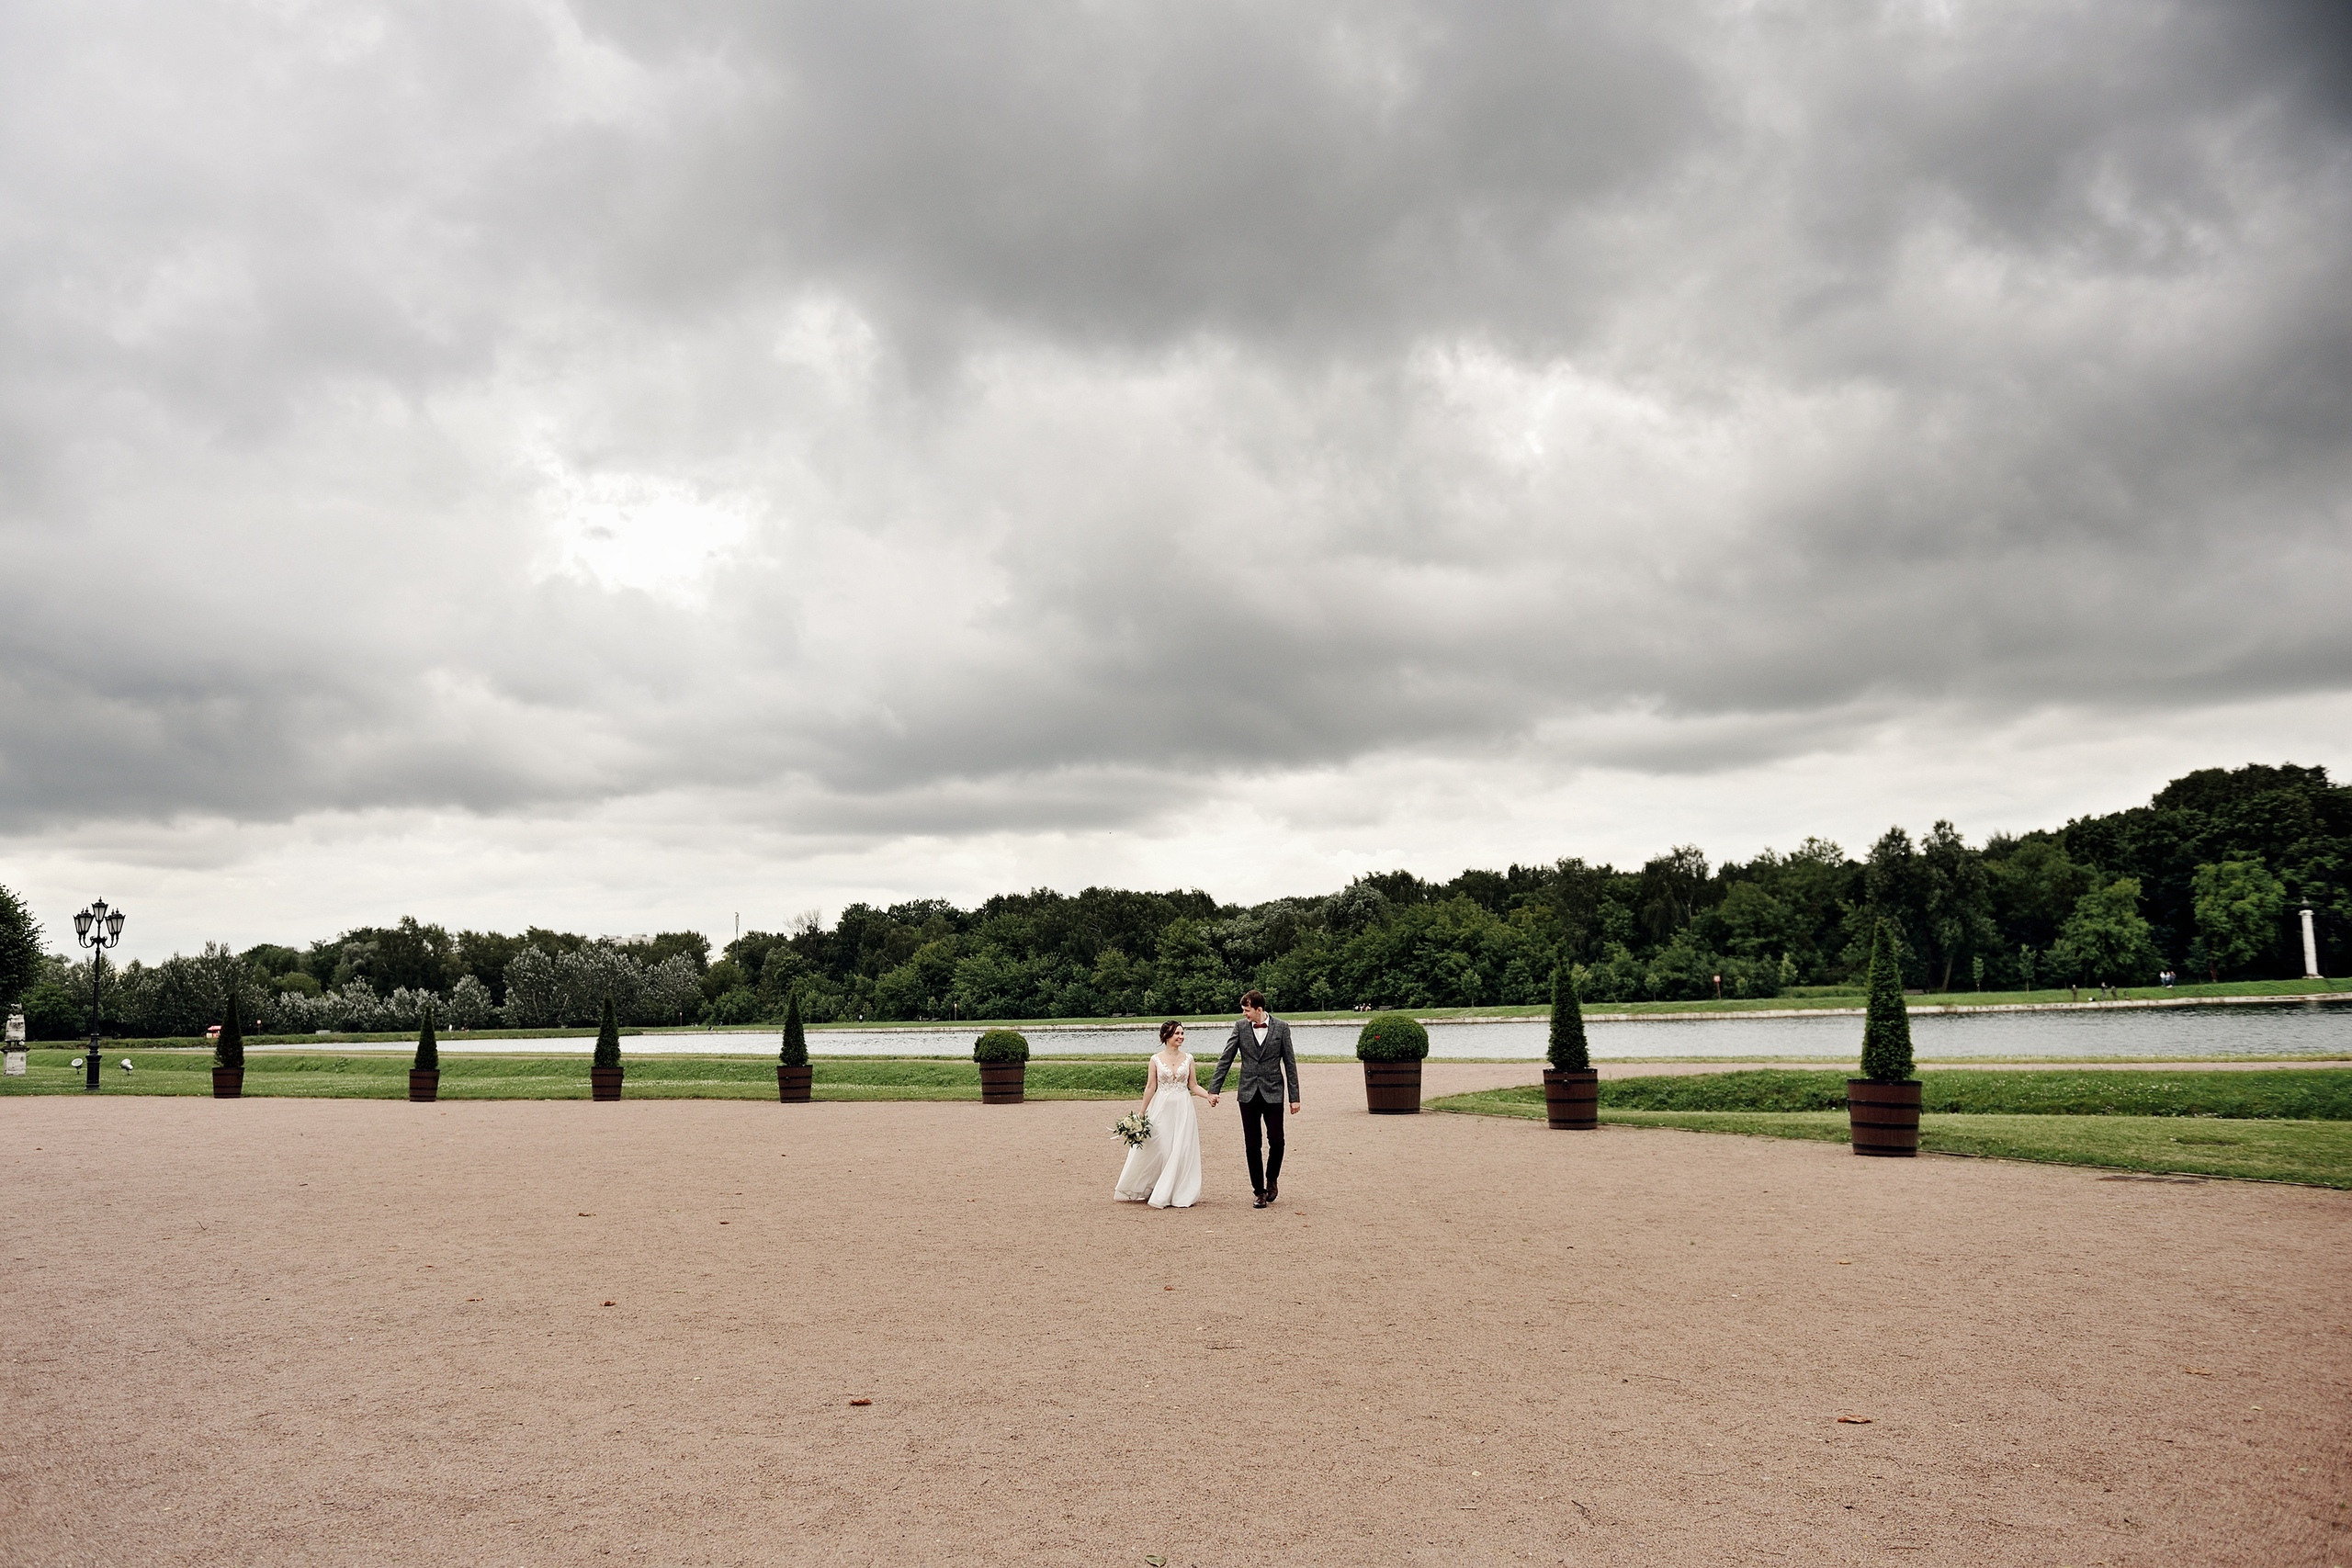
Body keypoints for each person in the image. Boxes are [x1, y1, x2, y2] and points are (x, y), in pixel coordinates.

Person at [1208, 989, 1300, 1209]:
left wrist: (1294, 1097)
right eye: (1243, 1010)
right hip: (1248, 1094)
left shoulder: (1281, 1027)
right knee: (1252, 1144)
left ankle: (1272, 1180)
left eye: (1247, 1010)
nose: (1244, 1014)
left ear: (1259, 1009)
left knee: (1277, 1141)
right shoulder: (1240, 1028)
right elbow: (1226, 1058)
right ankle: (1259, 1191)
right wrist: (1214, 1089)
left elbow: (1290, 1063)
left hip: (1274, 1092)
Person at [1114, 1021, 1209, 1209]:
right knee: (1162, 1148)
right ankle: (1156, 1187)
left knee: (1181, 1148)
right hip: (1162, 1108)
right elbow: (1151, 1087)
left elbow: (1193, 1085)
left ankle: (1176, 1191)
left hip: (1183, 1108)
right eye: (1177, 1033)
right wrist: (1141, 1112)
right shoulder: (1155, 1059)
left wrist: (1209, 1096)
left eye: (1182, 1033)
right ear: (1166, 1036)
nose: (1181, 1037)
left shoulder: (1188, 1058)